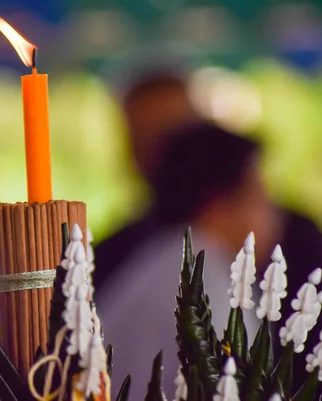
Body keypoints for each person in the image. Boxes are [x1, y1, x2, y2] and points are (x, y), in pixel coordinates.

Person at [97, 123, 277, 400]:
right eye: (260, 196)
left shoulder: (164, 260)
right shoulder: (206, 280)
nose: (273, 215)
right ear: (219, 205)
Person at [93, 65, 201, 292]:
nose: (160, 154)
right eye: (143, 137)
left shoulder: (275, 239)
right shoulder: (112, 258)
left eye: (172, 137)